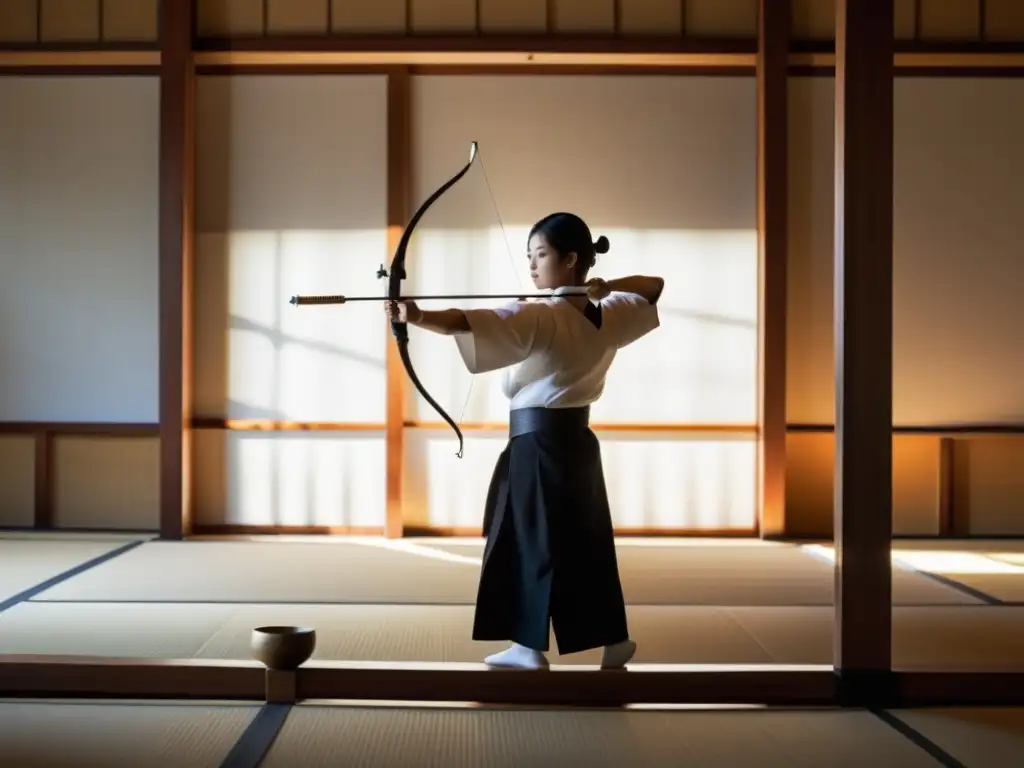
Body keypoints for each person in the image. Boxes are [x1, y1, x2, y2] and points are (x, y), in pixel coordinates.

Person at [385, 212, 664, 671]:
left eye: (541, 255)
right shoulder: (609, 315)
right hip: (578, 444)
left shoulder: (541, 312)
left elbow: (464, 320)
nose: (532, 267)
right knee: (586, 543)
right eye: (529, 257)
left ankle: (527, 647)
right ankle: (614, 639)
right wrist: (607, 286)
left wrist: (416, 315)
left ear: (571, 260)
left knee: (525, 539)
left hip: (536, 445)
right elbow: (652, 287)